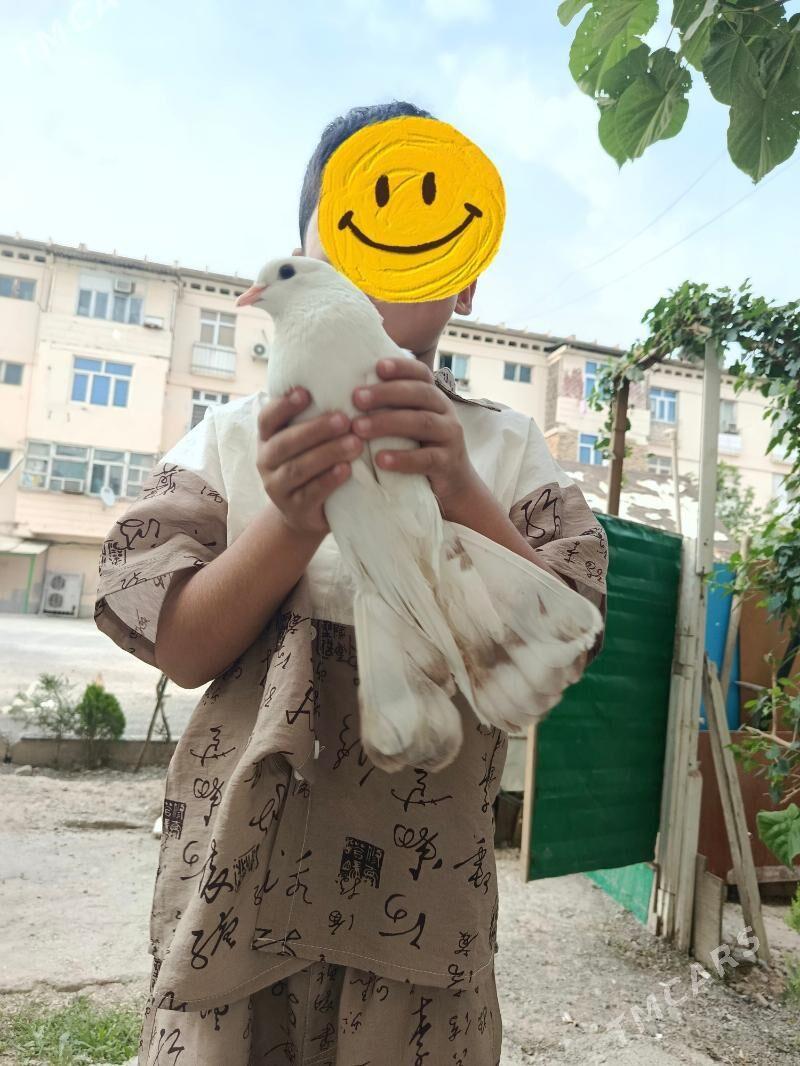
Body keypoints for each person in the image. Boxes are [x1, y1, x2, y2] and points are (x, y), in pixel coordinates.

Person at [94, 100, 608, 1066]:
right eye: (353, 233)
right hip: (241, 887)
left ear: (465, 276)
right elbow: (183, 647)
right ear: (303, 260)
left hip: (418, 904)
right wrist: (294, 519)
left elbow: (560, 646)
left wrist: (460, 489)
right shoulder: (232, 441)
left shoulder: (508, 451)